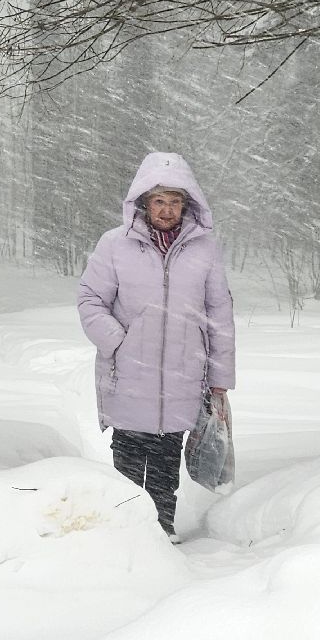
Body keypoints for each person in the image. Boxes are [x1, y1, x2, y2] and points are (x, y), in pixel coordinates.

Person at [77, 152, 236, 539]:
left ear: (188, 204)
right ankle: (125, 535)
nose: (167, 210)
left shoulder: (205, 250)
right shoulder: (114, 245)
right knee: (128, 465)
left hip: (183, 378)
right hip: (130, 377)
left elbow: (219, 314)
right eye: (159, 201)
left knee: (166, 467)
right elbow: (90, 300)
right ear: (144, 203)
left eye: (175, 201)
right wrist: (118, 342)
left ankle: (163, 533)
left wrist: (219, 380)